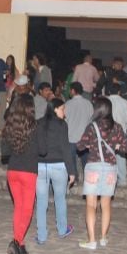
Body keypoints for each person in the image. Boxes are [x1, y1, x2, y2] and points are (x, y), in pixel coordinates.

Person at [75, 97, 127, 249]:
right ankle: (104, 237)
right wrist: (116, 146)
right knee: (106, 205)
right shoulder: (117, 127)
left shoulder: (92, 127)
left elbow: (80, 146)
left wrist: (89, 144)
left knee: (91, 205)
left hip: (93, 167)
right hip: (110, 169)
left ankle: (92, 240)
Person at [35, 98, 76, 245]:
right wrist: (72, 171)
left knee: (41, 201)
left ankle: (41, 235)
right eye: (62, 109)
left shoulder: (39, 123)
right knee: (60, 199)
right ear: (55, 109)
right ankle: (62, 229)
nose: (64, 112)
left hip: (41, 166)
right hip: (59, 166)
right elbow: (65, 148)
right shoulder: (62, 125)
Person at [3, 94, 39, 254]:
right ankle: (16, 241)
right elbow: (44, 149)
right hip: (28, 171)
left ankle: (21, 244)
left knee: (19, 208)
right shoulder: (35, 127)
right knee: (27, 210)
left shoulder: (9, 127)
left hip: (12, 171)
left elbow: (5, 152)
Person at [65, 82, 93, 180]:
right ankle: (88, 180)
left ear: (73, 90)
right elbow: (91, 120)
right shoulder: (88, 103)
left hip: (71, 137)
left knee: (71, 160)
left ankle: (74, 179)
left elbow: (64, 121)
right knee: (86, 161)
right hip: (85, 138)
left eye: (70, 90)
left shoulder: (68, 104)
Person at [106, 83, 127, 185]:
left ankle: (108, 178)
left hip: (107, 132)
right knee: (120, 156)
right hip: (120, 132)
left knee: (107, 156)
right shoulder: (124, 102)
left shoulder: (105, 101)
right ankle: (122, 179)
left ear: (109, 91)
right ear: (119, 91)